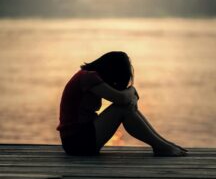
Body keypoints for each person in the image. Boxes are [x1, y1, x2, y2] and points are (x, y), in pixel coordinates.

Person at [56, 51, 188, 156]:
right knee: (122, 108)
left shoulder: (87, 76)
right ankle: (161, 146)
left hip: (80, 139)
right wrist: (132, 90)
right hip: (76, 142)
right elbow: (122, 99)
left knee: (125, 106)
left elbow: (125, 98)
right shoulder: (88, 77)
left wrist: (131, 97)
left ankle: (163, 144)